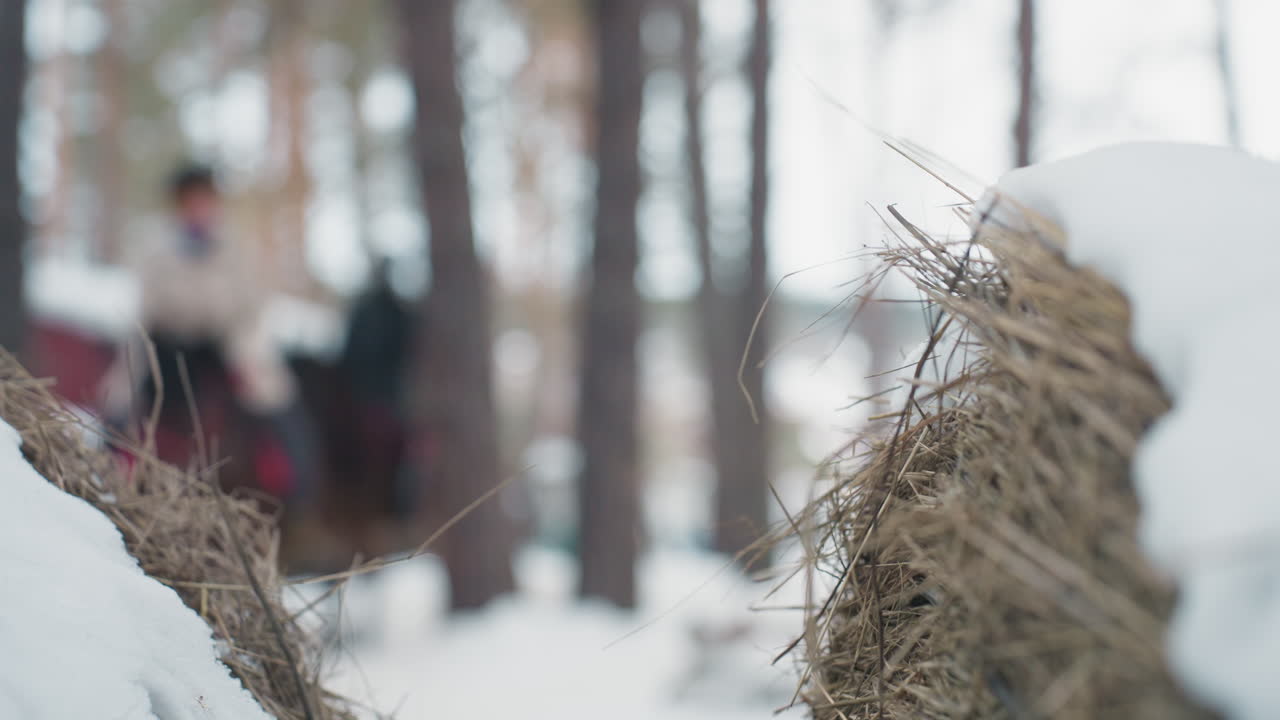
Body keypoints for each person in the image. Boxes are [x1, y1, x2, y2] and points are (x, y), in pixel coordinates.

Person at [102, 164, 316, 504]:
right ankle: (112, 475)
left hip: (224, 347)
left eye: (203, 200)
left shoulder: (236, 251)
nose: (197, 208)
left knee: (274, 404)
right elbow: (145, 309)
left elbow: (251, 309)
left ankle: (295, 490)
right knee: (120, 403)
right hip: (167, 348)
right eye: (190, 201)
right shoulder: (157, 252)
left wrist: (245, 350)